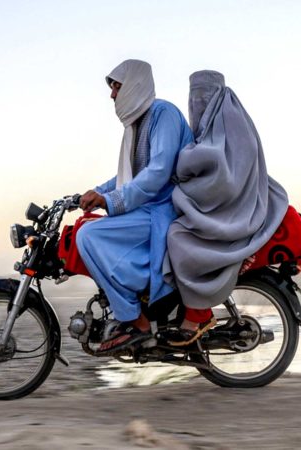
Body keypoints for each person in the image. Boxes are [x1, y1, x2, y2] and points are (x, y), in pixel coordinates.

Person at [164, 70, 289, 346]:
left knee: (177, 236)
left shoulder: (231, 121)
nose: (197, 103)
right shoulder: (214, 125)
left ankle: (198, 314)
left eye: (202, 96)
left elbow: (222, 176)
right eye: (193, 97)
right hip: (225, 204)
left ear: (217, 94)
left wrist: (180, 166)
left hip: (236, 208)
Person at [76, 59, 193, 353]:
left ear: (135, 85)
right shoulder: (137, 123)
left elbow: (157, 173)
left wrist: (110, 200)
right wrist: (98, 191)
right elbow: (131, 172)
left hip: (165, 207)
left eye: (116, 86)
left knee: (88, 236)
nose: (112, 95)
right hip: (151, 207)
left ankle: (135, 321)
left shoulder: (162, 114)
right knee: (86, 231)